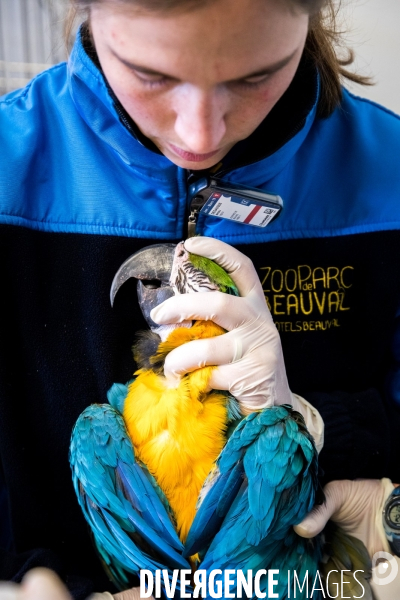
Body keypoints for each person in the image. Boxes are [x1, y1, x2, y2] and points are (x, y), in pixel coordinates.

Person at [1, 0, 400, 598]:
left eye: (255, 76)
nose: (199, 135)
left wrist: (323, 440)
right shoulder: (12, 166)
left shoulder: (388, 173)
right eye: (151, 75)